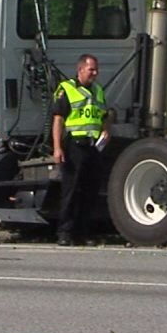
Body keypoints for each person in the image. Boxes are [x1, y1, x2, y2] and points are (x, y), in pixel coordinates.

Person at [51, 54, 110, 247]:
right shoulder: (67, 89)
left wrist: (106, 130)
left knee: (90, 192)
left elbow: (104, 115)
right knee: (71, 191)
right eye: (91, 69)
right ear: (80, 70)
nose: (95, 73)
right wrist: (58, 148)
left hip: (93, 147)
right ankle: (65, 232)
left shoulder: (98, 90)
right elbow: (58, 120)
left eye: (96, 69)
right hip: (74, 146)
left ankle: (83, 233)